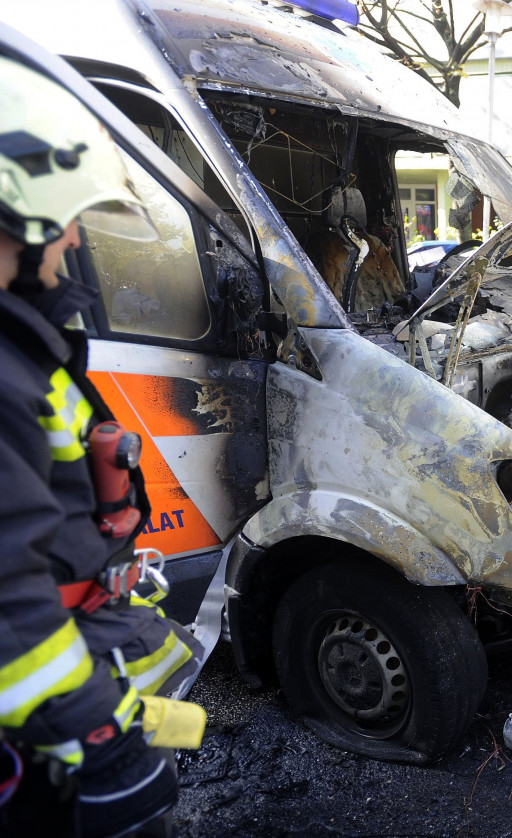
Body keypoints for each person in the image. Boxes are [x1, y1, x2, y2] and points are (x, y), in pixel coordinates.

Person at [0, 53, 204, 836]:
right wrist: (101, 738)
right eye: (62, 217)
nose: (75, 237)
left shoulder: (23, 340)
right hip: (44, 731)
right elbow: (9, 597)